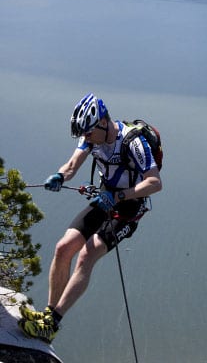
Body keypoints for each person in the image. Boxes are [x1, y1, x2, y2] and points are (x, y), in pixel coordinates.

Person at [19, 93, 162, 343]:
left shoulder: (132, 142)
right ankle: (47, 315)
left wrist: (118, 197)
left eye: (87, 133)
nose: (85, 138)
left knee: (87, 254)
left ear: (102, 123)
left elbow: (154, 183)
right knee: (63, 248)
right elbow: (73, 164)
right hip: (105, 197)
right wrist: (60, 176)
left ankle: (53, 322)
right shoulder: (92, 137)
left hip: (130, 207)